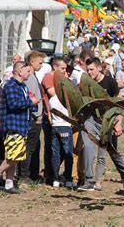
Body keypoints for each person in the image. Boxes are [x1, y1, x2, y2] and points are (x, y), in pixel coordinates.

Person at [78, 58, 124, 192]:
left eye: (92, 69)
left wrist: (118, 122)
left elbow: (118, 104)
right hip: (92, 119)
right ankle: (90, 181)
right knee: (88, 147)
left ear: (99, 68)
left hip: (108, 120)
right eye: (87, 69)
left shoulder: (110, 82)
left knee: (109, 151)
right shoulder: (85, 83)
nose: (89, 72)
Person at [0, 61, 39, 194]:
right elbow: (14, 104)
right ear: (20, 71)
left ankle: (9, 183)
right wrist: (31, 102)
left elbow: (28, 103)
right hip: (13, 125)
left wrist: (33, 103)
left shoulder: (23, 87)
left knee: (16, 156)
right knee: (14, 156)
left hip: (22, 125)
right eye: (28, 71)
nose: (30, 73)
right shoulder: (11, 86)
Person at [42, 58, 74, 188]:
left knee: (56, 152)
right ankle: (66, 178)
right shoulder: (63, 97)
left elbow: (49, 111)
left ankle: (54, 178)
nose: (64, 71)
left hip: (54, 124)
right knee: (67, 154)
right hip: (63, 126)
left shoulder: (53, 99)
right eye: (62, 68)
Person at [19, 51, 45, 184]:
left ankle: (28, 174)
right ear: (32, 62)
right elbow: (30, 96)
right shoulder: (30, 77)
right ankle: (24, 175)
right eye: (40, 62)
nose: (42, 65)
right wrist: (37, 115)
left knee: (32, 147)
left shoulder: (33, 76)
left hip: (35, 117)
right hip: (33, 118)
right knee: (28, 148)